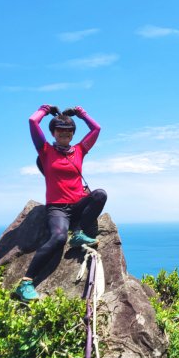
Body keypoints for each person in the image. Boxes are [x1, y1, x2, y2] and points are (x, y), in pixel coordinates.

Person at [15, 104, 107, 302]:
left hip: (78, 205)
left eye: (68, 131)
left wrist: (82, 114)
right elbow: (32, 121)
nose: (64, 134)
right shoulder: (45, 150)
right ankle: (26, 283)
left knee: (100, 195)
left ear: (73, 134)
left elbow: (97, 129)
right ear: (53, 132)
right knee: (58, 238)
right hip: (57, 208)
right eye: (60, 130)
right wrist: (45, 110)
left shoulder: (79, 150)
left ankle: (79, 233)